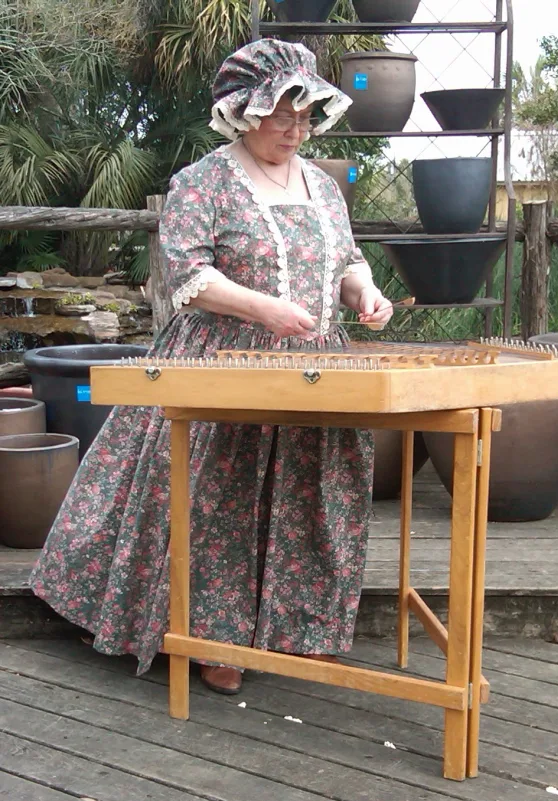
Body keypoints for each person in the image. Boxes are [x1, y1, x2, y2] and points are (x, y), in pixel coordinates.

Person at [30, 39, 393, 695]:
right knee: (217, 497)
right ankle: (213, 637)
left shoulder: (322, 186)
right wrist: (264, 308)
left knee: (314, 492)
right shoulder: (204, 181)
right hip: (223, 359)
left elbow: (345, 262)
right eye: (280, 115)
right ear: (243, 112)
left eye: (304, 115)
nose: (294, 129)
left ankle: (301, 628)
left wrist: (365, 293)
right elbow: (189, 275)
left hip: (316, 366)